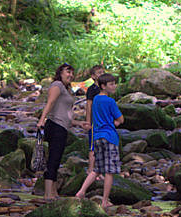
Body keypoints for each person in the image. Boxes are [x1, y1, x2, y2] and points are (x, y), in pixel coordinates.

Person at [75, 73, 124, 209]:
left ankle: (81, 191)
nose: (114, 86)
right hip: (109, 137)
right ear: (103, 86)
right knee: (109, 171)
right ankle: (104, 201)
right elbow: (121, 119)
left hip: (97, 137)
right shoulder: (110, 102)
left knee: (96, 169)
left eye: (115, 83)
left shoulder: (96, 99)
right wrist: (114, 123)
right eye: (112, 84)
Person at [36, 63, 76, 201]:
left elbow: (65, 113)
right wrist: (42, 120)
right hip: (55, 126)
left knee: (56, 159)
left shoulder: (66, 89)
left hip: (62, 126)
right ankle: (48, 195)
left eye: (72, 73)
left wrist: (79, 123)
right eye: (67, 72)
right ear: (60, 73)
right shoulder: (57, 85)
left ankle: (53, 193)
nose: (70, 75)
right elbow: (50, 103)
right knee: (53, 159)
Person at [83, 64, 104, 175]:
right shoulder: (92, 89)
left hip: (103, 121)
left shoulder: (104, 89)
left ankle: (99, 170)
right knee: (93, 146)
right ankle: (91, 169)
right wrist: (88, 121)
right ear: (93, 76)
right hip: (94, 121)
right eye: (99, 73)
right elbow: (89, 105)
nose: (102, 74)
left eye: (103, 72)